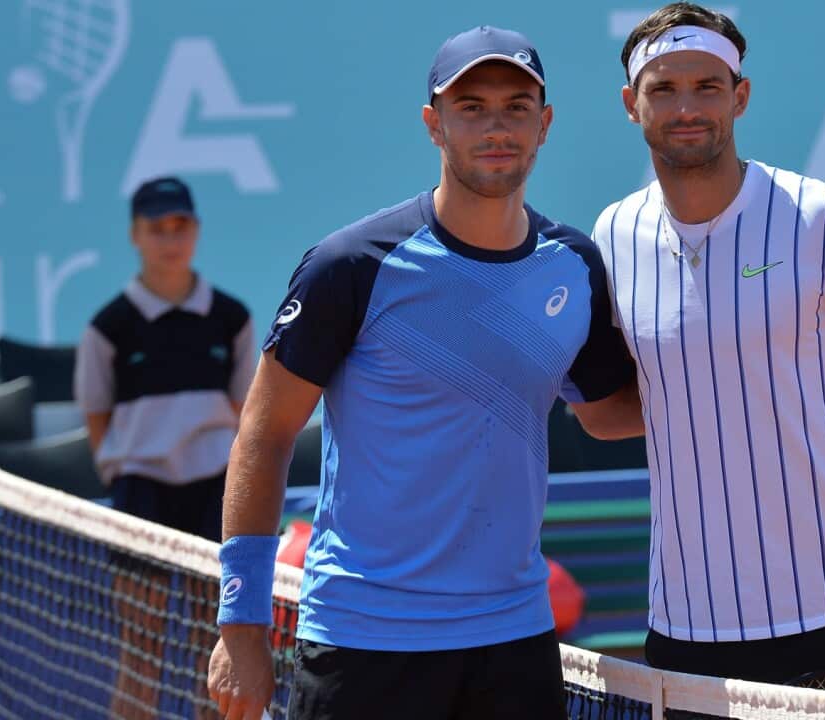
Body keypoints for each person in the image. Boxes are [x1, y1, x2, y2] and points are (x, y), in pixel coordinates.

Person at [206, 26, 640, 720]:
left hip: (515, 641)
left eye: (516, 106)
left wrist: (744, 382)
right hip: (363, 642)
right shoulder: (352, 266)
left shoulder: (573, 264)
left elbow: (608, 409)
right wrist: (241, 628)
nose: (496, 126)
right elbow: (264, 434)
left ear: (545, 124)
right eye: (471, 106)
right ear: (434, 124)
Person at [590, 3, 825, 699]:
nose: (686, 107)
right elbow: (615, 414)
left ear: (740, 96)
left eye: (707, 86)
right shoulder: (611, 234)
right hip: (684, 639)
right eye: (663, 89)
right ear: (632, 105)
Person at [74, 175, 256, 542]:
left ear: (197, 230)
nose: (171, 240)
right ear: (134, 235)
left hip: (218, 481)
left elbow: (244, 406)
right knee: (138, 597)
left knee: (213, 598)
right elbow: (96, 414)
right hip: (139, 483)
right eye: (157, 228)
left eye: (181, 226)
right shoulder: (107, 327)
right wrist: (127, 467)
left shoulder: (232, 317)